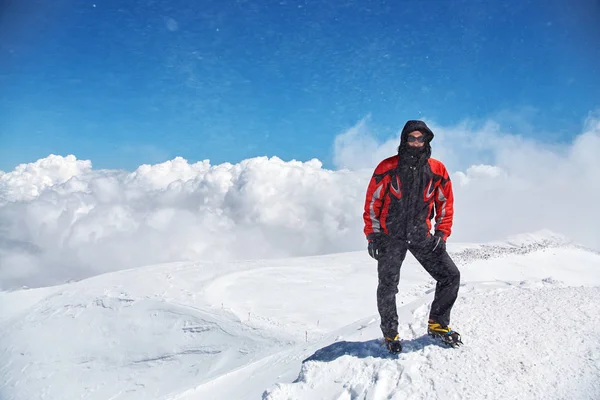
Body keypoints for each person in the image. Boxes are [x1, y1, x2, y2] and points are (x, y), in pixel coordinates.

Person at [363, 120, 462, 353]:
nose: (416, 142)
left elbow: (445, 203)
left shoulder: (437, 169)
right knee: (388, 286)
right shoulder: (387, 167)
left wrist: (441, 233)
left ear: (427, 140)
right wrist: (373, 236)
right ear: (404, 140)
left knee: (450, 276)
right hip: (390, 237)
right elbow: (372, 203)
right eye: (412, 138)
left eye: (421, 138)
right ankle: (390, 334)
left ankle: (438, 325)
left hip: (422, 236)